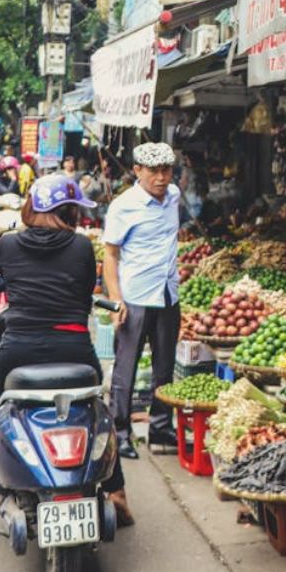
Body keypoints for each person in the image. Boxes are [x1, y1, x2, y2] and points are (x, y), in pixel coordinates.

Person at [0, 175, 132, 535]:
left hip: (18, 348)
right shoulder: (82, 248)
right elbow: (85, 290)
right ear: (68, 211)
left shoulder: (7, 245)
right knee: (101, 413)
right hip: (74, 348)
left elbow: (3, 279)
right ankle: (117, 494)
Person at [102, 143, 181, 460]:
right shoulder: (124, 206)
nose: (161, 178)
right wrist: (115, 300)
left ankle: (161, 427)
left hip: (167, 294)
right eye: (154, 171)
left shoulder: (174, 196)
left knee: (165, 369)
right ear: (137, 171)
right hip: (134, 297)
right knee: (126, 370)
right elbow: (110, 254)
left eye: (167, 170)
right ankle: (119, 433)